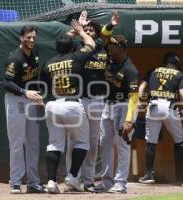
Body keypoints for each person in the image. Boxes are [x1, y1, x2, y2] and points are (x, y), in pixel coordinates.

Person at [65, 10, 119, 192]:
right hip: (79, 99)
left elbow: (106, 33)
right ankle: (73, 177)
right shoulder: (77, 49)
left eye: (91, 30)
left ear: (96, 33)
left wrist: (110, 25)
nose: (88, 32)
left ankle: (88, 179)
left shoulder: (103, 49)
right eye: (86, 29)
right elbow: (62, 40)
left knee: (93, 140)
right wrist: (77, 29)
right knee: (75, 140)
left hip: (97, 100)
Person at [40, 20, 96, 194]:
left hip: (51, 104)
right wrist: (80, 30)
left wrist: (71, 33)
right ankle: (72, 176)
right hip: (71, 104)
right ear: (72, 46)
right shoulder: (76, 57)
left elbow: (42, 87)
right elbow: (91, 43)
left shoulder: (47, 63)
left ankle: (50, 181)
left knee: (54, 145)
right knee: (82, 142)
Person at [138, 52, 183, 184]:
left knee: (151, 141)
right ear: (177, 64)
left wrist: (140, 101)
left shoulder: (153, 71)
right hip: (169, 106)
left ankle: (148, 174)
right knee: (180, 140)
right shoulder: (179, 75)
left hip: (153, 106)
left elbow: (141, 88)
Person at [92, 35, 139, 194]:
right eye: (109, 46)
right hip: (108, 105)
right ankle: (106, 182)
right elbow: (104, 34)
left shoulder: (130, 69)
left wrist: (129, 120)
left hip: (124, 106)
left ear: (122, 48)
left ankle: (120, 183)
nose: (109, 48)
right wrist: (111, 24)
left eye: (113, 46)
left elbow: (134, 98)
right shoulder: (109, 61)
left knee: (123, 146)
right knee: (104, 144)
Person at [3, 25, 44, 194]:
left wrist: (37, 96)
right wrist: (25, 92)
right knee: (17, 142)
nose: (32, 40)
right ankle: (15, 181)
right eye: (28, 37)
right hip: (16, 100)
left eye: (34, 37)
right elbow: (7, 82)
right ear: (21, 38)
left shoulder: (34, 54)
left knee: (33, 143)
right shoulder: (15, 58)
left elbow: (33, 79)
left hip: (31, 101)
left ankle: (34, 182)